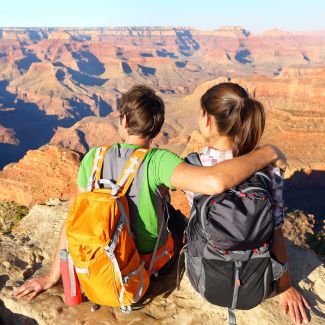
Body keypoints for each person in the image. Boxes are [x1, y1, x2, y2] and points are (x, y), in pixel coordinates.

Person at [14, 84, 286, 303]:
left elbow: (73, 219)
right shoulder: (160, 160)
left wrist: (52, 276)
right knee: (175, 216)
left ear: (123, 121)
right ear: (156, 128)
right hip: (145, 268)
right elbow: (214, 182)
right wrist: (268, 152)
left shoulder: (92, 159)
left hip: (97, 263)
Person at [185, 82, 310, 325]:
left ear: (207, 120)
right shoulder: (268, 170)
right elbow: (276, 232)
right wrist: (285, 287)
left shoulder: (193, 166)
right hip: (257, 284)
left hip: (205, 281)